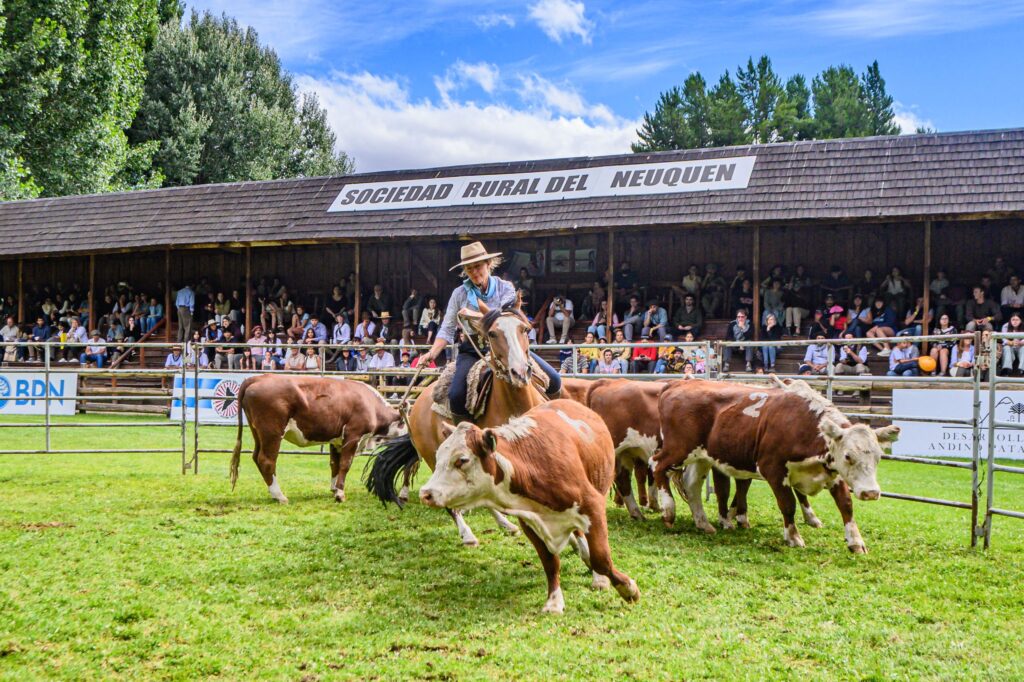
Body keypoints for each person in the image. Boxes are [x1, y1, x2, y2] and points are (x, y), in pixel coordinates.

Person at [419, 241, 561, 420]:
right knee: (456, 396)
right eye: (469, 269)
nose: (474, 272)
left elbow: (505, 318)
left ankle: (553, 425)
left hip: (507, 347)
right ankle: (466, 439)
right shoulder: (459, 294)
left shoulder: (505, 288)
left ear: (488, 264)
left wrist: (473, 314)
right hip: (473, 351)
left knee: (555, 380)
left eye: (478, 266)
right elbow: (446, 329)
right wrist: (431, 353)